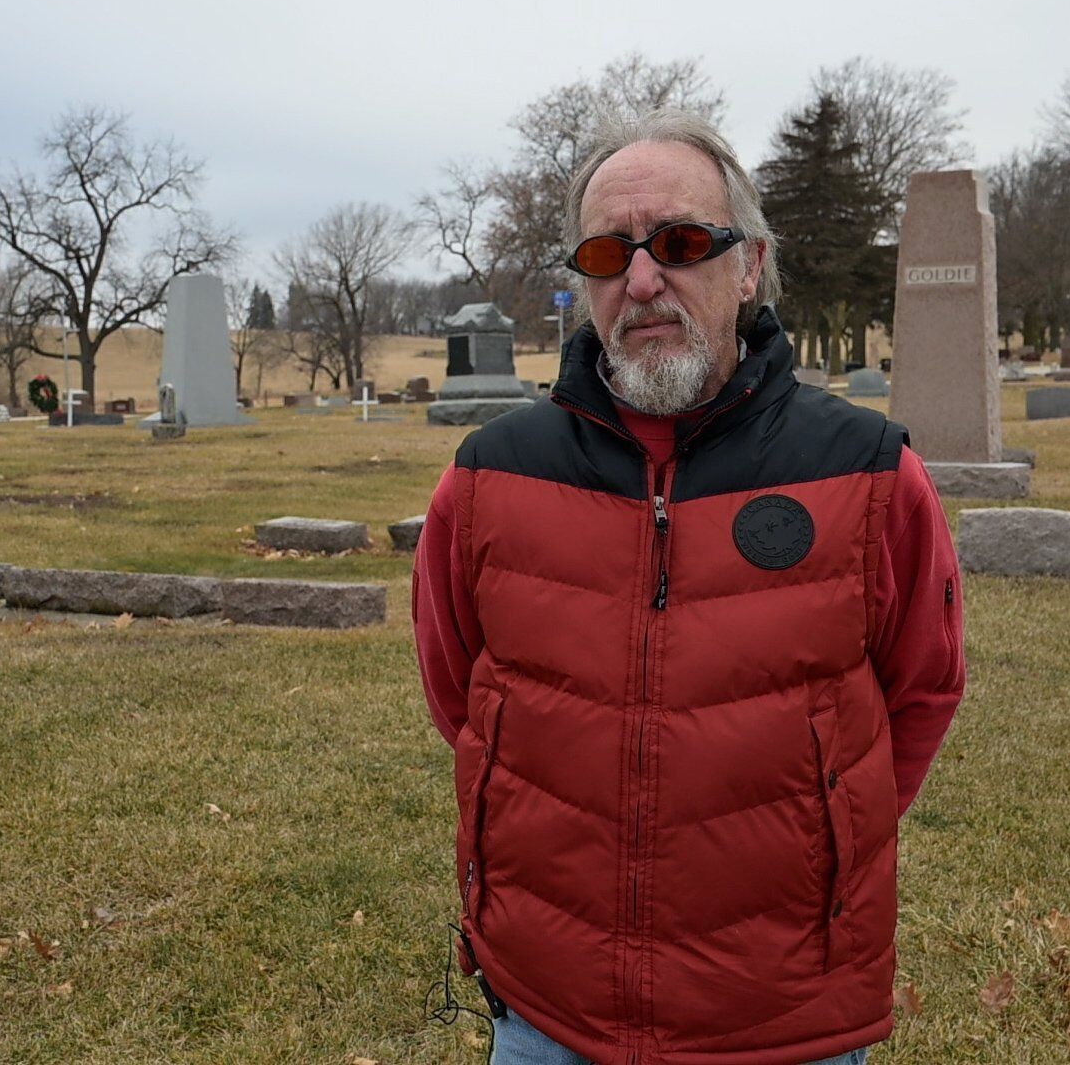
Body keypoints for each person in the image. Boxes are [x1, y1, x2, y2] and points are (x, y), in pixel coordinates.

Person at [412, 108, 965, 1065]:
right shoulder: (489, 476)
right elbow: (459, 693)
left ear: (748, 264)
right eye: (606, 251)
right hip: (551, 1003)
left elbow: (921, 690)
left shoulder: (870, 474)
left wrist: (816, 840)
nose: (640, 279)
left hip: (787, 1012)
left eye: (678, 242)